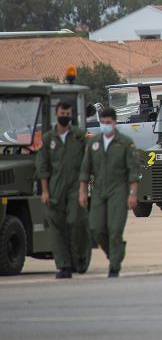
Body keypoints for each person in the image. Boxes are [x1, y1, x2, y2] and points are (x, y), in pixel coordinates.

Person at [77, 107, 141, 278]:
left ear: (115, 122)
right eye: (103, 122)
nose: (105, 125)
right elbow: (85, 169)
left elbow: (133, 170)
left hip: (118, 190)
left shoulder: (125, 143)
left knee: (115, 229)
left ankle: (114, 266)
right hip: (99, 191)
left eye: (108, 122)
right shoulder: (94, 143)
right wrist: (83, 192)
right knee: (96, 228)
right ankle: (115, 253)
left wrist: (133, 193)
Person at [37, 101, 90, 278]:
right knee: (57, 228)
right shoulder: (47, 139)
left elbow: (87, 162)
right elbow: (43, 166)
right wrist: (45, 190)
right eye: (62, 113)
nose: (65, 116)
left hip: (76, 185)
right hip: (55, 188)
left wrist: (84, 189)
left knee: (76, 222)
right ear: (56, 114)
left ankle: (80, 256)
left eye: (68, 113)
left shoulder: (79, 136)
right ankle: (64, 266)